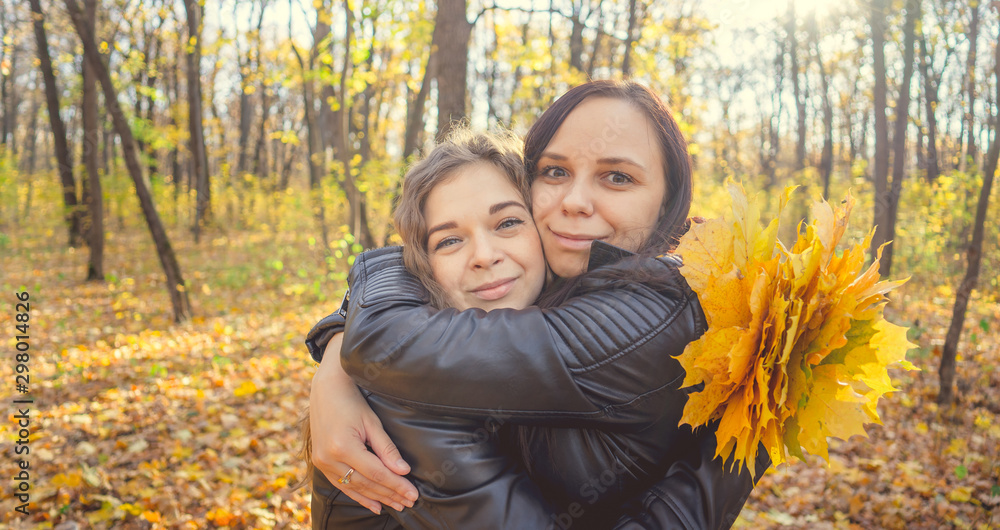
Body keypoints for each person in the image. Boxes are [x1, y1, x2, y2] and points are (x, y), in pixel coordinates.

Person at [307, 80, 768, 528]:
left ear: (669, 200)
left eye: (618, 177)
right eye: (555, 172)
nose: (574, 201)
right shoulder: (552, 296)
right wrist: (339, 348)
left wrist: (344, 353)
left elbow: (390, 341)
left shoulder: (647, 315)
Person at [308, 127, 562, 527]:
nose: (483, 255)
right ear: (422, 268)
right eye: (448, 241)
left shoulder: (611, 328)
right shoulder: (388, 391)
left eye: (508, 222)